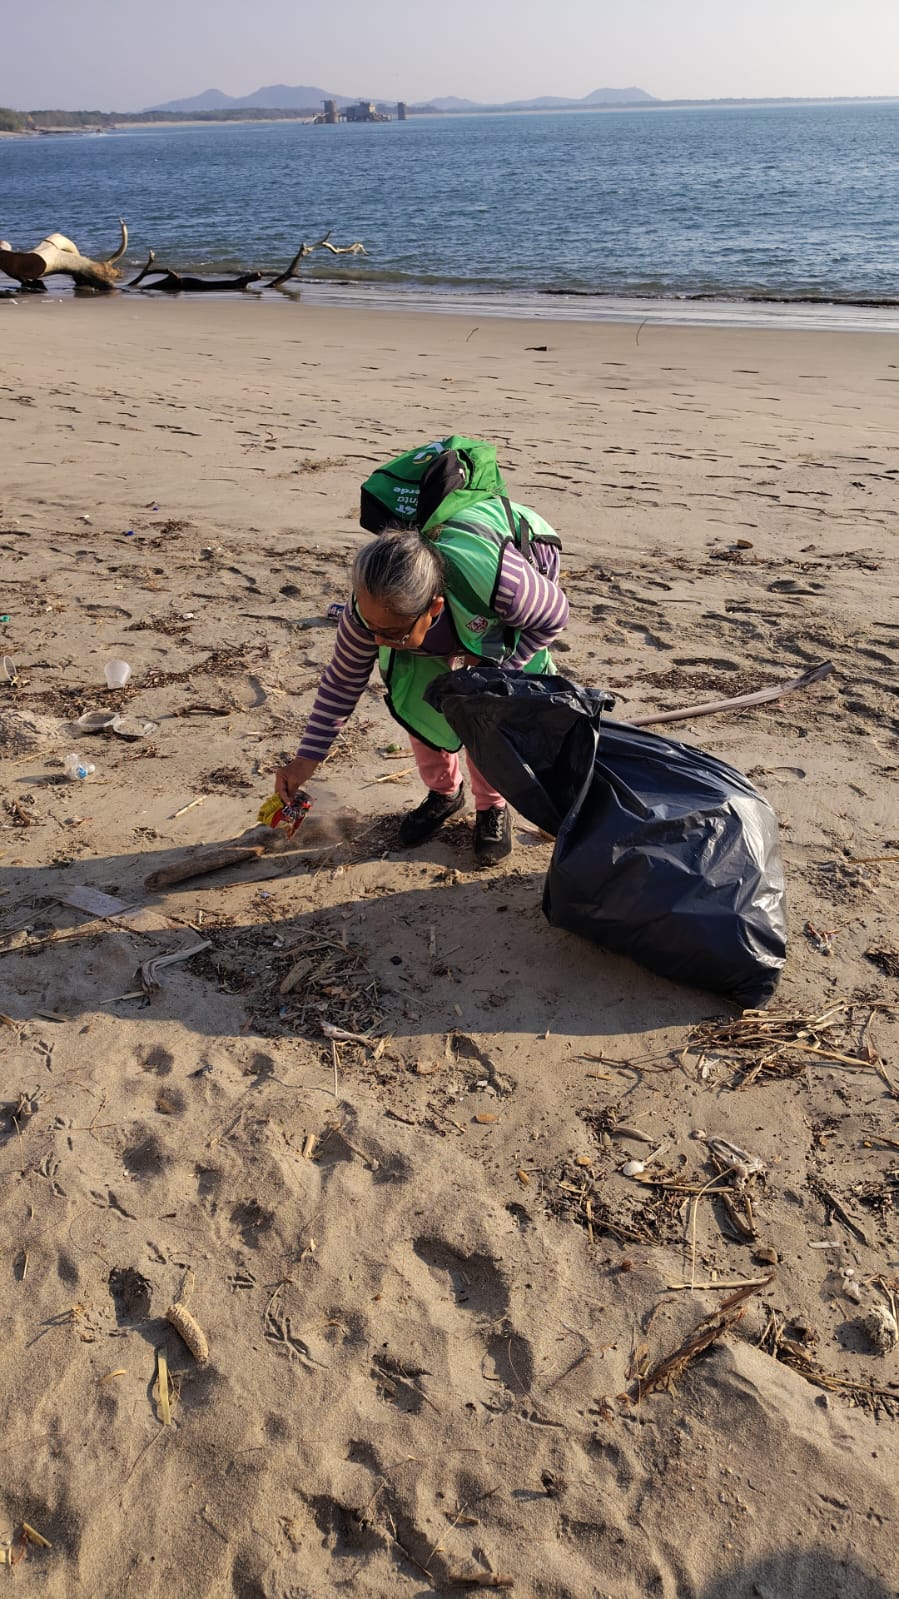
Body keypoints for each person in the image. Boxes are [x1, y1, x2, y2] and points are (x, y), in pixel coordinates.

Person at [275, 497, 569, 866]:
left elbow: (554, 616)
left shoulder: (504, 585)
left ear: (434, 608)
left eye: (389, 631)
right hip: (442, 614)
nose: (376, 639)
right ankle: (445, 794)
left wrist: (499, 669)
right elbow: (342, 682)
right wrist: (305, 761)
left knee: (487, 707)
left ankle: (492, 806)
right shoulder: (367, 611)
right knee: (416, 695)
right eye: (371, 626)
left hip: (509, 584)